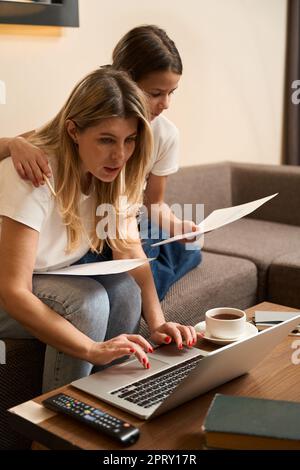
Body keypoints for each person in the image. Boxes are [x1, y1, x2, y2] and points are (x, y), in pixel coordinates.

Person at [0, 68, 199, 393]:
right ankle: (56, 432)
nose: (119, 155)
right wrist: (90, 348)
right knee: (88, 303)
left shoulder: (111, 172)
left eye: (129, 140)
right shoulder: (33, 172)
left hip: (48, 276)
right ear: (74, 131)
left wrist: (159, 323)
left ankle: (109, 405)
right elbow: (12, 291)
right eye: (106, 140)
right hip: (7, 285)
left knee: (124, 291)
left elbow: (129, 250)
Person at [0, 25, 202, 301]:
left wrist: (176, 226)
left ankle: (143, 290)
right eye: (156, 93)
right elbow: (44, 142)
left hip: (124, 217)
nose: (165, 103)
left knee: (182, 249)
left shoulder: (165, 135)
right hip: (96, 228)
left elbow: (154, 203)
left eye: (172, 93)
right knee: (135, 262)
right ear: (125, 83)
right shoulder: (89, 123)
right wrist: (13, 144)